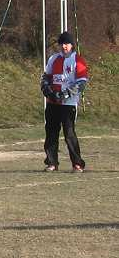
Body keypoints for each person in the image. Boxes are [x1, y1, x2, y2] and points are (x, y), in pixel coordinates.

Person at [40, 31, 89, 173]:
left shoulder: (77, 60)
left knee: (69, 134)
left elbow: (81, 83)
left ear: (72, 45)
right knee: (51, 133)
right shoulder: (53, 59)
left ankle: (77, 163)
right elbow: (46, 77)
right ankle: (52, 162)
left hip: (68, 104)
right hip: (52, 103)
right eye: (62, 44)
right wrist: (47, 90)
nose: (64, 47)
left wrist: (66, 94)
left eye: (67, 44)